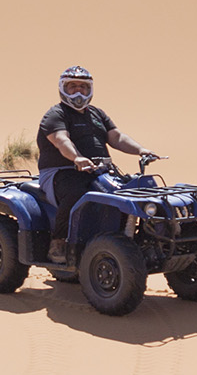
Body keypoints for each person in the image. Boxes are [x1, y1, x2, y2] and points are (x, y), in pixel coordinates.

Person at [36, 66, 163, 263]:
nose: (78, 92)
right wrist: (76, 158)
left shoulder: (96, 114)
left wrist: (141, 150)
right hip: (62, 172)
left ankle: (147, 237)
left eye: (83, 87)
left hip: (99, 171)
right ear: (62, 88)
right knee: (75, 192)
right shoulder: (56, 114)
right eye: (72, 87)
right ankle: (59, 242)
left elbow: (117, 137)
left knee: (134, 189)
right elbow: (62, 140)